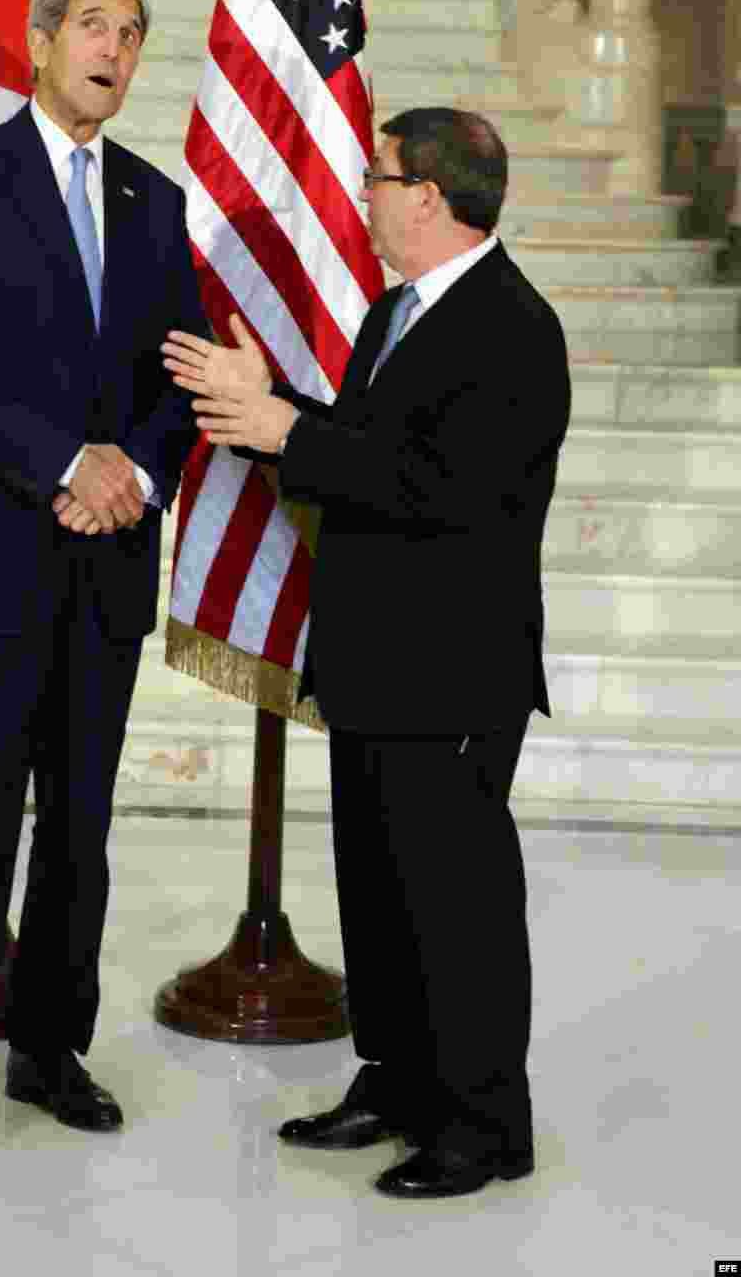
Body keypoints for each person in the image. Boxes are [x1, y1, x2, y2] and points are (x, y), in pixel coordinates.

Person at [162, 107, 571, 1200]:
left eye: (377, 178)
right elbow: (365, 448)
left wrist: (285, 430)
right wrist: (272, 408)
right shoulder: (399, 310)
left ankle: (483, 1123)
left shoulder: (513, 327)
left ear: (428, 196)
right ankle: (397, 1082)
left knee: (456, 907)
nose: (363, 197)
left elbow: (441, 490)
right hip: (373, 656)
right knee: (382, 896)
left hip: (454, 670)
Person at [0, 0, 208, 1200]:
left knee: (79, 826)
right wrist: (70, 462)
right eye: (92, 26)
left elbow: (177, 374)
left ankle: (49, 1049)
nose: (113, 49)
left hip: (106, 560)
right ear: (39, 41)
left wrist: (136, 474)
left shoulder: (154, 200)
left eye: (132, 34)